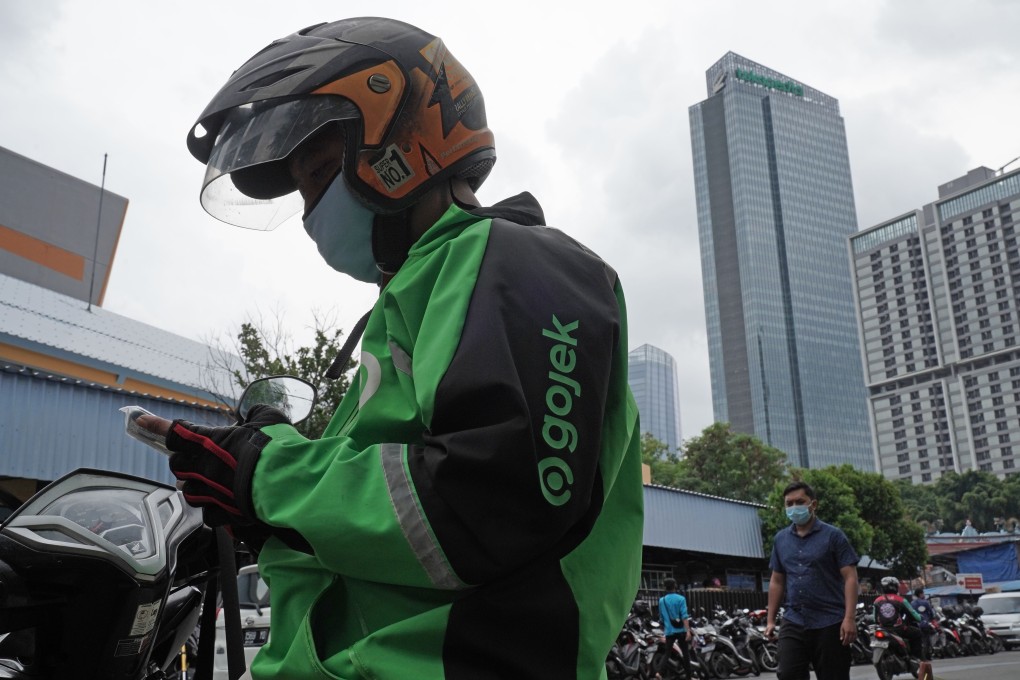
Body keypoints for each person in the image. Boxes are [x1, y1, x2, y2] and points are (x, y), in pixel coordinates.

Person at [136, 16, 644, 680]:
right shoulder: (410, 299)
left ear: (400, 140)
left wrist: (267, 476)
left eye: (319, 173)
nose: (313, 211)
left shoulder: (517, 262)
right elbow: (382, 520)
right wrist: (264, 510)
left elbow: (491, 501)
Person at [765, 481, 859, 680]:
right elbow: (777, 580)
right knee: (788, 674)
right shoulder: (780, 539)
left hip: (830, 621)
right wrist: (771, 620)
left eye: (800, 502)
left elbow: (850, 577)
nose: (794, 507)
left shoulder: (833, 536)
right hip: (794, 619)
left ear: (813, 504)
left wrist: (849, 618)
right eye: (789, 504)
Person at [873, 577, 923, 660]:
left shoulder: (877, 600)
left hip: (883, 629)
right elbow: (915, 616)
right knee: (917, 633)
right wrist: (919, 617)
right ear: (896, 587)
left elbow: (874, 619)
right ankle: (916, 658)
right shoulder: (901, 600)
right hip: (899, 629)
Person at [655, 578, 692, 679]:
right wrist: (688, 631)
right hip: (681, 631)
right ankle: (689, 677)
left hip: (669, 631)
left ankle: (659, 672)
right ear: (675, 586)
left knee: (667, 653)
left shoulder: (662, 601)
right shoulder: (681, 599)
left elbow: (661, 618)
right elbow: (684, 616)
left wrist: (665, 629)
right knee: (685, 654)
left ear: (665, 588)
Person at [911, 587, 934, 659]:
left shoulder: (912, 603)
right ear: (920, 594)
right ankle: (927, 655)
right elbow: (931, 613)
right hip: (925, 624)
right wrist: (930, 618)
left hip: (916, 624)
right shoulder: (925, 602)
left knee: (918, 640)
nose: (923, 594)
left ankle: (920, 655)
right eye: (923, 593)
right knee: (926, 639)